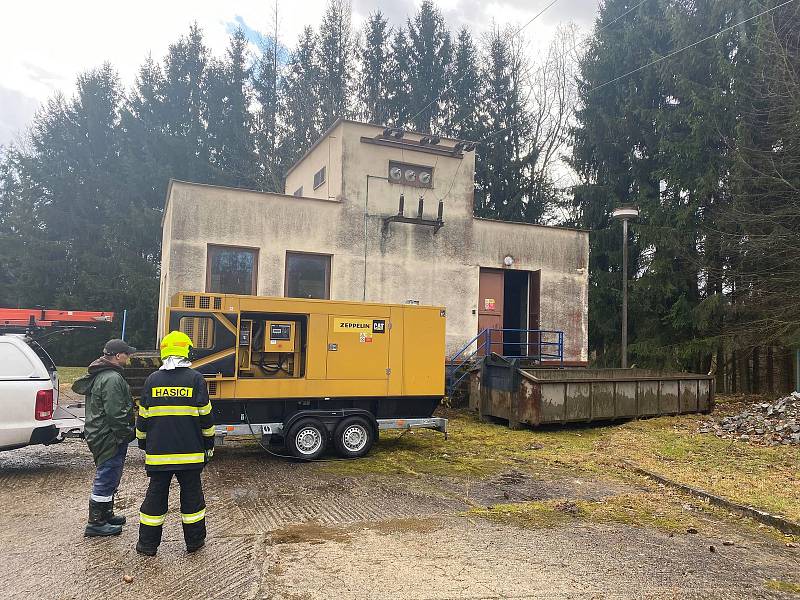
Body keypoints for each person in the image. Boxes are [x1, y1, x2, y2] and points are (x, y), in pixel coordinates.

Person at [135, 331, 215, 556]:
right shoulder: (195, 379)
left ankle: (147, 545)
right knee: (192, 500)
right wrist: (208, 446)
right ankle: (194, 542)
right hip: (190, 456)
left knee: (155, 499)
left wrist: (143, 443)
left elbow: (143, 417)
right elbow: (205, 417)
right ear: (187, 352)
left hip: (159, 455)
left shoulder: (152, 380)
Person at [72, 338, 137, 537]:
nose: (129, 357)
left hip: (103, 433)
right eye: (127, 354)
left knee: (111, 476)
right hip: (109, 436)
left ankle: (107, 514)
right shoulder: (112, 378)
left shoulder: (105, 375)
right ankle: (96, 522)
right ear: (118, 356)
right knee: (106, 477)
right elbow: (115, 414)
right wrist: (127, 433)